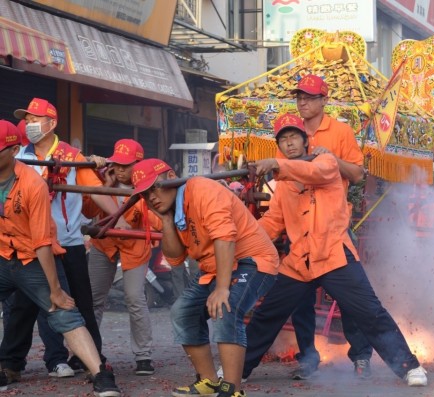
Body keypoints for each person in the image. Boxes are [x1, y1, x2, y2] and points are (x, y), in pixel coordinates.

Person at [242, 113, 428, 387]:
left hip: (334, 256)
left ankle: (408, 366)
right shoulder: (282, 184)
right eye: (283, 140)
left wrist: (277, 164)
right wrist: (243, 241)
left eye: (294, 137)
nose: (289, 144)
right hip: (299, 263)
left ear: (306, 141)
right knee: (267, 314)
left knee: (370, 311)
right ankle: (239, 368)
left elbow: (314, 172)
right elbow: (273, 222)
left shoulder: (326, 161)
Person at [130, 158, 279, 397]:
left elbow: (224, 237)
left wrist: (222, 289)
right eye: (145, 195)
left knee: (225, 308)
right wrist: (167, 221)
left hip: (252, 260)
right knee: (182, 312)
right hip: (213, 268)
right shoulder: (165, 209)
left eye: (154, 188)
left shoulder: (202, 189)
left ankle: (232, 390)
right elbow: (176, 257)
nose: (152, 198)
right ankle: (209, 381)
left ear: (171, 178)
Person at [0, 98, 121, 379]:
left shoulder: (74, 157)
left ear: (51, 123)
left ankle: (93, 362)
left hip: (67, 244)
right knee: (22, 307)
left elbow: (99, 194)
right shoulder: (18, 155)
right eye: (27, 120)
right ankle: (12, 363)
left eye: (35, 119)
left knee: (78, 303)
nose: (30, 125)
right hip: (27, 246)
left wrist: (117, 218)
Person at [286, 74, 372, 380]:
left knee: (350, 297)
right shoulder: (291, 131)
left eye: (309, 97)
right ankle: (308, 358)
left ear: (324, 100)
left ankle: (361, 356)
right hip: (300, 228)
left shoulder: (340, 131)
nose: (303, 102)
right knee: (299, 298)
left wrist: (332, 159)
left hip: (334, 228)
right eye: (299, 97)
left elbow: (358, 174)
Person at [86, 139, 157, 375]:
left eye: (128, 165)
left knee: (135, 298)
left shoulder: (150, 186)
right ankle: (87, 353)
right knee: (94, 299)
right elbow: (88, 211)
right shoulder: (104, 182)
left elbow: (155, 220)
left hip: (135, 246)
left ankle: (143, 356)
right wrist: (104, 185)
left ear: (140, 164)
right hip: (104, 244)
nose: (121, 170)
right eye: (117, 164)